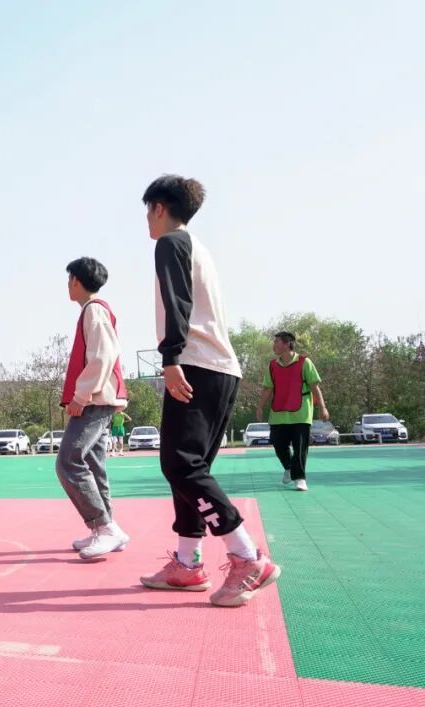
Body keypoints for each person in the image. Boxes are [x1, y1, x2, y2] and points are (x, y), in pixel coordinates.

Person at [138, 175, 280, 607]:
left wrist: (170, 358)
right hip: (219, 368)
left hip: (196, 365)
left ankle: (247, 556)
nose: (147, 221)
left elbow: (178, 302)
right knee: (188, 468)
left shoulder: (171, 243)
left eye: (147, 211)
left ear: (159, 207)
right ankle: (187, 562)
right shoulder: (198, 248)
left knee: (180, 464)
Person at [56, 257, 131, 559]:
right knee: (94, 464)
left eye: (69, 280)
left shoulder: (94, 311)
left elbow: (102, 356)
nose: (67, 286)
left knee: (68, 461)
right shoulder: (94, 310)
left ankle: (104, 527)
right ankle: (107, 528)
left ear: (76, 280)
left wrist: (81, 396)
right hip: (99, 399)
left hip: (95, 400)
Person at [256, 331, 329, 492]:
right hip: (278, 413)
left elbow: (314, 386)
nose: (274, 345)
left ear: (287, 343)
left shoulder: (305, 362)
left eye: (276, 342)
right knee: (277, 443)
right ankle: (289, 467)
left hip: (301, 413)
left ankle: (300, 478)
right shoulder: (272, 365)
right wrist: (260, 407)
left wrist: (322, 407)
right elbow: (268, 388)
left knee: (300, 448)